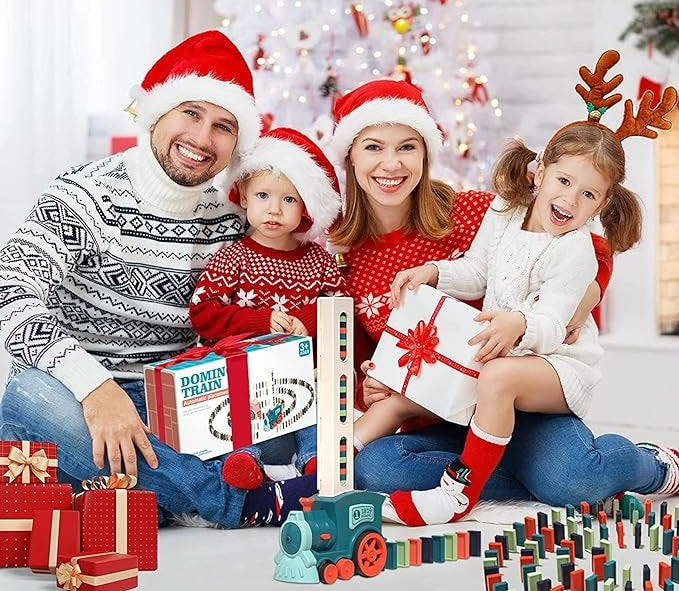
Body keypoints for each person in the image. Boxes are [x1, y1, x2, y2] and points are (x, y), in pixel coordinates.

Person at [327, 75, 679, 524]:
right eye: (373, 146)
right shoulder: (339, 255)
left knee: (574, 480)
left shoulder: (473, 210)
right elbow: (469, 276)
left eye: (407, 147)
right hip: (449, 409)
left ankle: (640, 465)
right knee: (376, 468)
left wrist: (570, 304)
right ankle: (505, 468)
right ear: (350, 155)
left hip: (528, 383)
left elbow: (591, 261)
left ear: (426, 153)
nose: (390, 164)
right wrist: (373, 383)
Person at [0, 30, 317, 529]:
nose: (202, 138)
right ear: (157, 113)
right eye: (190, 113)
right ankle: (234, 500)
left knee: (283, 407)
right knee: (29, 398)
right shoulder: (83, 195)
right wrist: (96, 388)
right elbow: (11, 292)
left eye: (223, 126)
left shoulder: (233, 220)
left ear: (237, 144)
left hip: (183, 398)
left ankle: (158, 491)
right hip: (87, 397)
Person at [189, 126, 345, 489]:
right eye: (263, 195)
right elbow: (203, 312)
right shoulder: (233, 257)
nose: (274, 209)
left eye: (289, 200)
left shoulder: (317, 260)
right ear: (243, 196)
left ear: (305, 207)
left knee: (314, 396)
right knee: (239, 399)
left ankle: (313, 459)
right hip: (246, 371)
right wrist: (260, 321)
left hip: (301, 373)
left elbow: (340, 306)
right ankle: (245, 458)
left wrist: (308, 320)